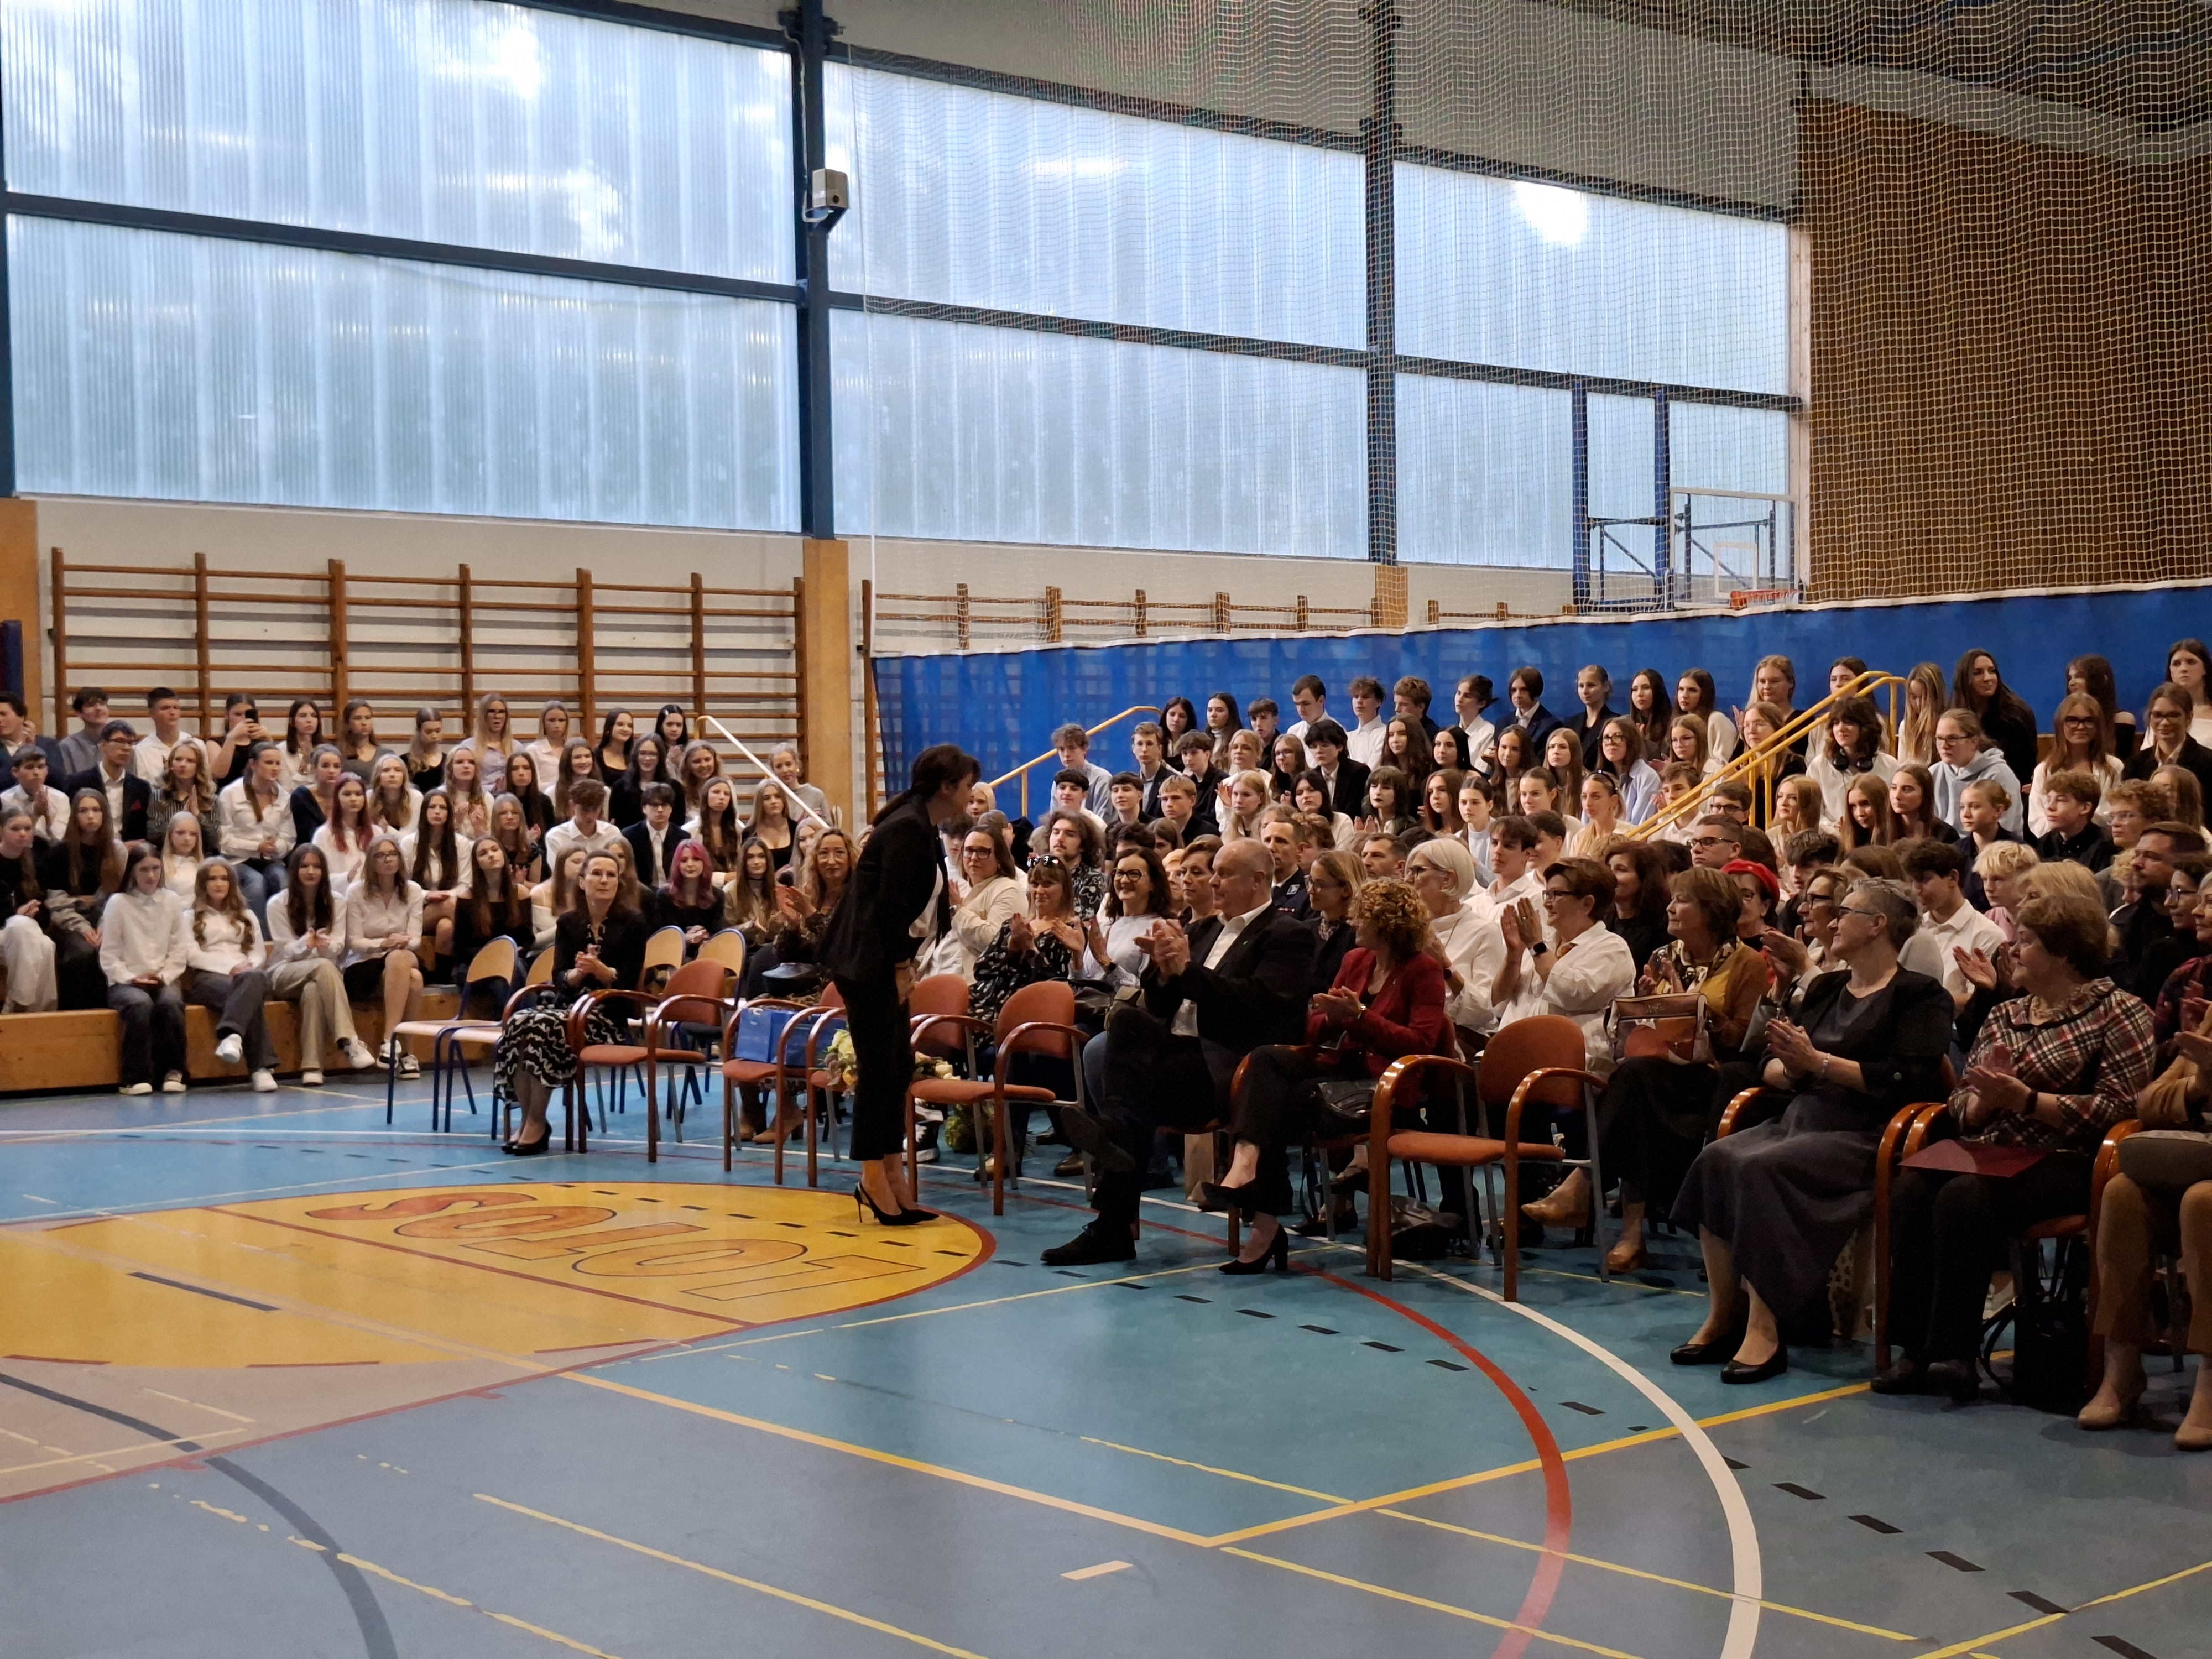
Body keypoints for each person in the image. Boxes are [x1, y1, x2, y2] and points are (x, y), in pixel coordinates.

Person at [1878, 888, 2156, 1402]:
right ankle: (1913, 1349)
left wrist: (2028, 1101)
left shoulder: (2120, 1011)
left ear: (2064, 953)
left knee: (1965, 1198)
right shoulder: (2007, 1013)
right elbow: (1960, 1101)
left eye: (2025, 941)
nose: (2011, 950)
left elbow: (2121, 1109)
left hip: (2069, 1158)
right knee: (1912, 1186)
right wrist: (1982, 1105)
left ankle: (1954, 1354)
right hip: (1991, 1149)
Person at [1045, 838, 1313, 1266]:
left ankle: (1112, 1222)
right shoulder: (1203, 929)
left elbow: (1261, 1006)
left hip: (1232, 1067)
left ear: (1258, 880)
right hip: (1180, 1061)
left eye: (1224, 874)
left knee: (1129, 1113)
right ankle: (1114, 1140)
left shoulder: (1286, 934)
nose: (1214, 882)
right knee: (1127, 1024)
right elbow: (1161, 1007)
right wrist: (1164, 973)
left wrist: (1187, 972)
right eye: (1213, 873)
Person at [1203, 878, 1448, 1270]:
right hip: (1342, 1068)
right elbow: (1314, 1026)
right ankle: (1246, 1167)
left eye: (1363, 916)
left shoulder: (1424, 971)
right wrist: (1333, 1019)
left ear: (1387, 923)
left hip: (1387, 1083)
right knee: (1264, 1061)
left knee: (1275, 1106)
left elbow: (1420, 1042)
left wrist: (1361, 1017)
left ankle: (1265, 1222)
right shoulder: (1356, 961)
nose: (1354, 922)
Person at [1570, 867, 1770, 1266]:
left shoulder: (1747, 963)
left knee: (1634, 1084)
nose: (1670, 908)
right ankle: (1626, 1233)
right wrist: (1645, 1005)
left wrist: (1693, 1007)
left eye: (1682, 901)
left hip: (1713, 1079)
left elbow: (1743, 1041)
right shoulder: (1662, 957)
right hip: (1659, 1072)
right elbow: (1644, 1032)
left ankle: (1585, 1190)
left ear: (1711, 910)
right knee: (1635, 1086)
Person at [816, 744, 975, 1220]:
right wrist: (902, 967)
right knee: (879, 1071)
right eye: (967, 786)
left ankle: (892, 1172)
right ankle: (872, 1178)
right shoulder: (907, 827)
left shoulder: (920, 825)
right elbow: (890, 910)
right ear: (946, 786)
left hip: (881, 961)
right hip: (869, 963)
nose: (970, 795)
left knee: (897, 1067)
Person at [493, 847, 652, 1155]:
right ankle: (529, 1119)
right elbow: (559, 976)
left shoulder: (634, 922)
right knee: (521, 1021)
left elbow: (630, 980)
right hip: (570, 1009)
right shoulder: (569, 923)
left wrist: (602, 971)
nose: (604, 880)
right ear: (582, 882)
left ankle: (536, 1123)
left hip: (607, 1016)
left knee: (542, 1025)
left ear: (619, 883)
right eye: (597, 874)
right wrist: (577, 974)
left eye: (611, 875)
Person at [264, 844, 378, 1083]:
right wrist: (306, 944)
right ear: (294, 871)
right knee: (324, 968)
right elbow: (286, 951)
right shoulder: (277, 903)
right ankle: (349, 1040)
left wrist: (323, 945)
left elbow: (338, 947)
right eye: (305, 866)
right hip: (283, 972)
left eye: (316, 866)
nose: (311, 871)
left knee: (313, 990)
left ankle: (312, 1068)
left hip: (322, 974)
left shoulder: (337, 901)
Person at [176, 857, 278, 1091]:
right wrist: (229, 970)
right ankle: (261, 1069)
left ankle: (232, 1036)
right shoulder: (189, 917)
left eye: (224, 879)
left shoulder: (248, 915)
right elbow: (192, 955)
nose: (219, 884)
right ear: (203, 884)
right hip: (209, 978)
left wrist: (247, 967)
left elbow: (258, 953)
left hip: (246, 975)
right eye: (212, 879)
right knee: (250, 998)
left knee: (254, 980)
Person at [101, 843, 190, 1095]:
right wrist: (131, 978)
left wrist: (163, 976)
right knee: (140, 1005)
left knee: (171, 1004)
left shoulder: (172, 901)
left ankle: (174, 1071)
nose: (151, 876)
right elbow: (109, 955)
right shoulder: (118, 903)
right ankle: (135, 1077)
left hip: (163, 976)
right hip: (126, 981)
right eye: (144, 870)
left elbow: (179, 949)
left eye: (155, 869)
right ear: (132, 871)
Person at [343, 834, 426, 1074]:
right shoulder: (356, 893)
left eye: (392, 854)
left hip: (402, 955)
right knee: (415, 979)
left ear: (400, 858)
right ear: (371, 861)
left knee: (400, 958)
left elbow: (417, 939)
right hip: (365, 964)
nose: (387, 860)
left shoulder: (413, 890)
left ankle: (390, 1042)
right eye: (380, 855)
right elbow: (355, 942)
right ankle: (407, 1055)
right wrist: (384, 943)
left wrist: (403, 942)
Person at [1901, 838, 2008, 1011]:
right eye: (1912, 881)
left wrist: (1922, 1002)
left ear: (1953, 878)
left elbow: (1978, 999)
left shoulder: (1987, 934)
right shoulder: (1912, 927)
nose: (1916, 890)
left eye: (1924, 880)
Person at [40, 789, 124, 1009]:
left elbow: (118, 898)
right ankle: (73, 1014)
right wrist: (84, 927)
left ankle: (108, 1012)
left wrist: (104, 925)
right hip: (68, 921)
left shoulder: (117, 852)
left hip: (106, 920)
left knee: (111, 949)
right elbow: (56, 903)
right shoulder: (59, 853)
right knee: (84, 952)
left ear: (105, 814)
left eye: (96, 810)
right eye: (84, 811)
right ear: (74, 816)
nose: (90, 816)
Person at [448, 837, 535, 1011]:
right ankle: (523, 1021)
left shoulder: (521, 894)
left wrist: (512, 953)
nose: (491, 855)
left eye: (495, 850)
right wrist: (494, 955)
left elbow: (527, 939)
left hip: (512, 961)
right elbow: (460, 946)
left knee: (509, 972)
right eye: (483, 853)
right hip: (475, 964)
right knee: (505, 974)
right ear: (477, 864)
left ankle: (515, 1022)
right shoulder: (467, 898)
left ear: (503, 855)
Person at [1951, 650, 2040, 786]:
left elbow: (2025, 768)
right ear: (1964, 679)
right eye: (1978, 673)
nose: (1988, 678)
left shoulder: (2016, 716)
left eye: (1992, 671)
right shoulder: (1954, 716)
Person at [0, 809, 60, 1010]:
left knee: (46, 945)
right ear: (2, 831)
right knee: (22, 925)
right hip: (7, 930)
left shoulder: (34, 863)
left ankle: (39, 1013)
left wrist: (35, 912)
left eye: (27, 828)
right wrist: (16, 915)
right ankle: (19, 1003)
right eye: (15, 829)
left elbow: (45, 912)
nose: (23, 834)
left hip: (22, 934)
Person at [1806, 695, 1897, 827]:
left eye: (1848, 723)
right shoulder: (1819, 766)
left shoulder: (1889, 765)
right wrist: (1830, 827)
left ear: (1865, 727)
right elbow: (1812, 813)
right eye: (1836, 723)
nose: (1840, 729)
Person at [401, 789, 471, 961]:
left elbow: (465, 883)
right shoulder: (408, 844)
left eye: (443, 808)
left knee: (446, 928)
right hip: (416, 909)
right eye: (432, 807)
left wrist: (448, 894)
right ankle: (475, 953)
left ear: (449, 813)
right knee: (451, 906)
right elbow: (402, 883)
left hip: (449, 902)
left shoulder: (461, 843)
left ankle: (442, 973)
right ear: (424, 812)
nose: (437, 812)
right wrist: (427, 895)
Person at [1931, 709, 2024, 836]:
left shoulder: (1999, 774)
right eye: (1940, 739)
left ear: (1973, 743)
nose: (1944, 746)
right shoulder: (1934, 773)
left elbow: (2005, 826)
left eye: (1952, 739)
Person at [2126, 681, 2212, 806]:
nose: (2165, 723)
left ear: (2189, 718)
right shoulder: (2135, 765)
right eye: (2158, 715)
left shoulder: (2208, 763)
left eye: (2173, 715)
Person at [64, 719, 150, 843]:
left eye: (130, 743)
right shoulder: (78, 783)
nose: (126, 748)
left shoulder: (141, 787)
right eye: (120, 741)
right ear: (102, 745)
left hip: (131, 849)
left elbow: (142, 831)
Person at [2035, 768, 2115, 872]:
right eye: (2048, 800)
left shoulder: (2104, 846)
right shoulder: (2045, 842)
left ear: (2085, 808)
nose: (2050, 807)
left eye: (2061, 800)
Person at [656, 839, 727, 949]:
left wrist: (705, 939)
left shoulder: (717, 896)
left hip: (707, 950)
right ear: (677, 865)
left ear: (704, 863)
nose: (690, 865)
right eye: (684, 860)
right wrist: (685, 938)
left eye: (696, 859)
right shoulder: (665, 896)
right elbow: (663, 937)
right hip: (674, 952)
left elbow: (717, 933)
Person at [310, 773, 374, 893]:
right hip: (336, 896)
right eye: (347, 794)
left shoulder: (376, 832)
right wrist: (347, 878)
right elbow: (318, 876)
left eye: (359, 794)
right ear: (337, 798)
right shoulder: (323, 834)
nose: (354, 799)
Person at [145, 740, 215, 849]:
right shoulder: (158, 796)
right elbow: (153, 835)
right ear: (171, 765)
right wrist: (181, 817)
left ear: (198, 766)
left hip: (202, 855)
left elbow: (214, 841)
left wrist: (197, 815)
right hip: (165, 853)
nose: (183, 765)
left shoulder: (210, 799)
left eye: (190, 761)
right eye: (178, 759)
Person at [545, 777, 623, 871]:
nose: (590, 816)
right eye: (585, 810)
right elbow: (559, 873)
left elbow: (619, 868)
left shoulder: (613, 833)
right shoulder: (556, 836)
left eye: (595, 810)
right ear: (572, 805)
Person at [0, 746, 70, 843]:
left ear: (47, 770)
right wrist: (35, 816)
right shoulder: (4, 800)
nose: (37, 772)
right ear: (15, 772)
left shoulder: (60, 798)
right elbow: (11, 840)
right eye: (30, 767)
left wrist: (47, 817)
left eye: (41, 767)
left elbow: (57, 841)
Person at [0, 692, 63, 794]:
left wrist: (33, 749)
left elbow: (59, 781)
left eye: (3, 714)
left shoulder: (47, 745)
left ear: (21, 717)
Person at [131, 687, 196, 785]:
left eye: (176, 708)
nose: (173, 713)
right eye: (165, 708)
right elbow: (142, 787)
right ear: (151, 713)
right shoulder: (141, 750)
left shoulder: (194, 744)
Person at [1674, 669, 1738, 764]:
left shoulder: (1717, 720)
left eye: (1692, 690)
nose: (1684, 695)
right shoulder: (1677, 723)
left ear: (1704, 694)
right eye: (1681, 689)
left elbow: (1723, 764)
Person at [609, 734, 669, 830]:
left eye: (653, 754)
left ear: (660, 757)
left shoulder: (673, 787)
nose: (647, 758)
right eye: (643, 753)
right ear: (636, 756)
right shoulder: (620, 787)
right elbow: (615, 823)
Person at [55, 687, 111, 780]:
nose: (98, 709)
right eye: (90, 705)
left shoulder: (120, 742)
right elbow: (67, 782)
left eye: (102, 704)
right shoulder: (67, 746)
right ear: (79, 713)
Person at [1503, 666, 1563, 750]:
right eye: (1514, 690)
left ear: (1536, 691)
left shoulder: (1551, 725)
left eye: (1524, 690)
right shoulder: (1502, 723)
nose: (1518, 695)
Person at [442, 747, 493, 842]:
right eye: (460, 762)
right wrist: (456, 824)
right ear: (450, 768)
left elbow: (493, 839)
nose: (466, 766)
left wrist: (480, 830)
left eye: (471, 762)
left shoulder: (487, 798)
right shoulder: (441, 796)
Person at [367, 752, 421, 835]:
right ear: (378, 776)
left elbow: (408, 837)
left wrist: (387, 829)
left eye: (398, 770)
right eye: (386, 770)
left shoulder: (416, 797)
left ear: (404, 776)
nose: (392, 775)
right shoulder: (369, 796)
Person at [1839, 774, 1896, 851]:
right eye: (1853, 807)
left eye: (1865, 804)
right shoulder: (1847, 842)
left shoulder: (1898, 843)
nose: (1859, 813)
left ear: (1881, 802)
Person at [158, 811, 205, 899]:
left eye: (193, 834)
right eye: (180, 833)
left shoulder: (204, 867)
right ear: (170, 836)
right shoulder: (160, 866)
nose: (187, 838)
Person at [1344, 676, 1388, 769]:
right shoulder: (1348, 737)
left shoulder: (1386, 733)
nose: (1359, 701)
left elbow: (1371, 771)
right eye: (1356, 697)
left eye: (1366, 697)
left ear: (1378, 702)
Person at [527, 701, 572, 785]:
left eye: (561, 720)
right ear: (543, 723)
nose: (557, 725)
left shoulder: (573, 749)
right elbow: (534, 784)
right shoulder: (533, 750)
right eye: (552, 720)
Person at [404, 706, 447, 793]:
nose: (434, 736)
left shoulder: (448, 760)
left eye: (438, 731)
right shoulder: (405, 761)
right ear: (419, 731)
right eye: (429, 732)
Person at [594, 708, 635, 782]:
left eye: (630, 726)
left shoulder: (635, 756)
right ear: (609, 728)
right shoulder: (595, 755)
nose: (626, 729)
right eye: (620, 724)